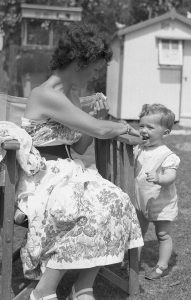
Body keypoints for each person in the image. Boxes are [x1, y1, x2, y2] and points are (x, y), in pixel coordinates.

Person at [15, 22, 144, 300]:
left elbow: (82, 142)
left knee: (116, 200)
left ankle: (82, 286)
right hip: (41, 175)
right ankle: (44, 290)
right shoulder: (45, 94)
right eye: (95, 66)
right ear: (78, 61)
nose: (97, 73)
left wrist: (98, 120)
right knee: (77, 207)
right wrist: (118, 126)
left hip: (68, 169)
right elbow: (98, 131)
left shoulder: (72, 95)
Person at [134, 103, 180, 280]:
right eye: (141, 126)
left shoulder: (166, 155)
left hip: (161, 203)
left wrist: (160, 179)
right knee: (137, 234)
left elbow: (171, 176)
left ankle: (161, 266)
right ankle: (133, 264)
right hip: (140, 201)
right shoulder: (138, 148)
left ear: (165, 133)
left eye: (150, 127)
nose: (143, 130)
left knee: (163, 234)